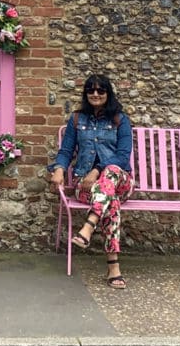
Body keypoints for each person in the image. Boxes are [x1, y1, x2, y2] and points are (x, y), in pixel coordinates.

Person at [48, 74, 133, 289]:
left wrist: (96, 170)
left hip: (120, 180)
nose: (95, 94)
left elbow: (123, 156)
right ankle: (114, 267)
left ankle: (88, 226)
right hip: (86, 186)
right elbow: (66, 151)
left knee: (111, 171)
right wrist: (58, 168)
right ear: (86, 94)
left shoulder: (120, 120)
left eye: (101, 90)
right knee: (109, 200)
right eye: (91, 90)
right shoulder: (77, 119)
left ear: (108, 93)